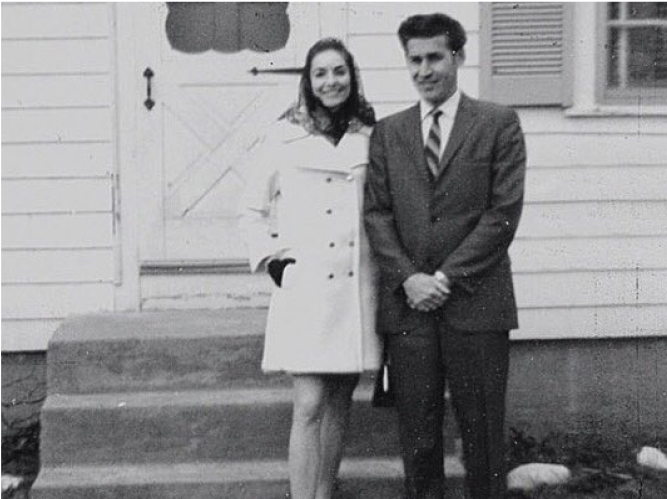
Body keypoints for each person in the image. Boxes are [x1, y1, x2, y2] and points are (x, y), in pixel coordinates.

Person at [363, 13, 527, 499]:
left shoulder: (497, 123)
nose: (424, 70)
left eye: (435, 57)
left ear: (459, 56)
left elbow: (502, 214)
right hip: (409, 309)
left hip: (477, 303)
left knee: (483, 437)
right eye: (414, 60)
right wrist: (409, 278)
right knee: (418, 435)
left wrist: (446, 278)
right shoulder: (388, 132)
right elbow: (377, 214)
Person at [242, 38, 381, 499]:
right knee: (309, 403)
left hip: (355, 288)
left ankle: (325, 493)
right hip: (306, 288)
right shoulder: (283, 135)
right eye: (320, 73)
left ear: (352, 77)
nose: (331, 82)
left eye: (339, 71)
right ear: (308, 80)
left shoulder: (370, 135)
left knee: (339, 401)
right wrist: (272, 260)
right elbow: (251, 209)